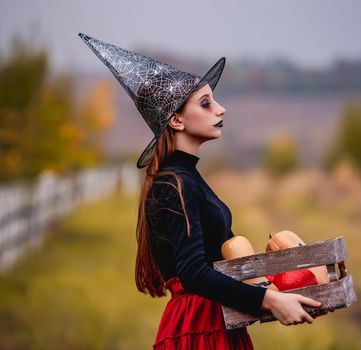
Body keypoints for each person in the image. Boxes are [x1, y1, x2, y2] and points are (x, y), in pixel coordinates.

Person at [78, 33, 326, 349]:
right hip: (199, 326)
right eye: (206, 103)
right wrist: (270, 300)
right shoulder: (173, 183)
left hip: (216, 321)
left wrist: (288, 290)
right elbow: (193, 272)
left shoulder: (188, 177)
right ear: (177, 120)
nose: (220, 110)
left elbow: (225, 263)